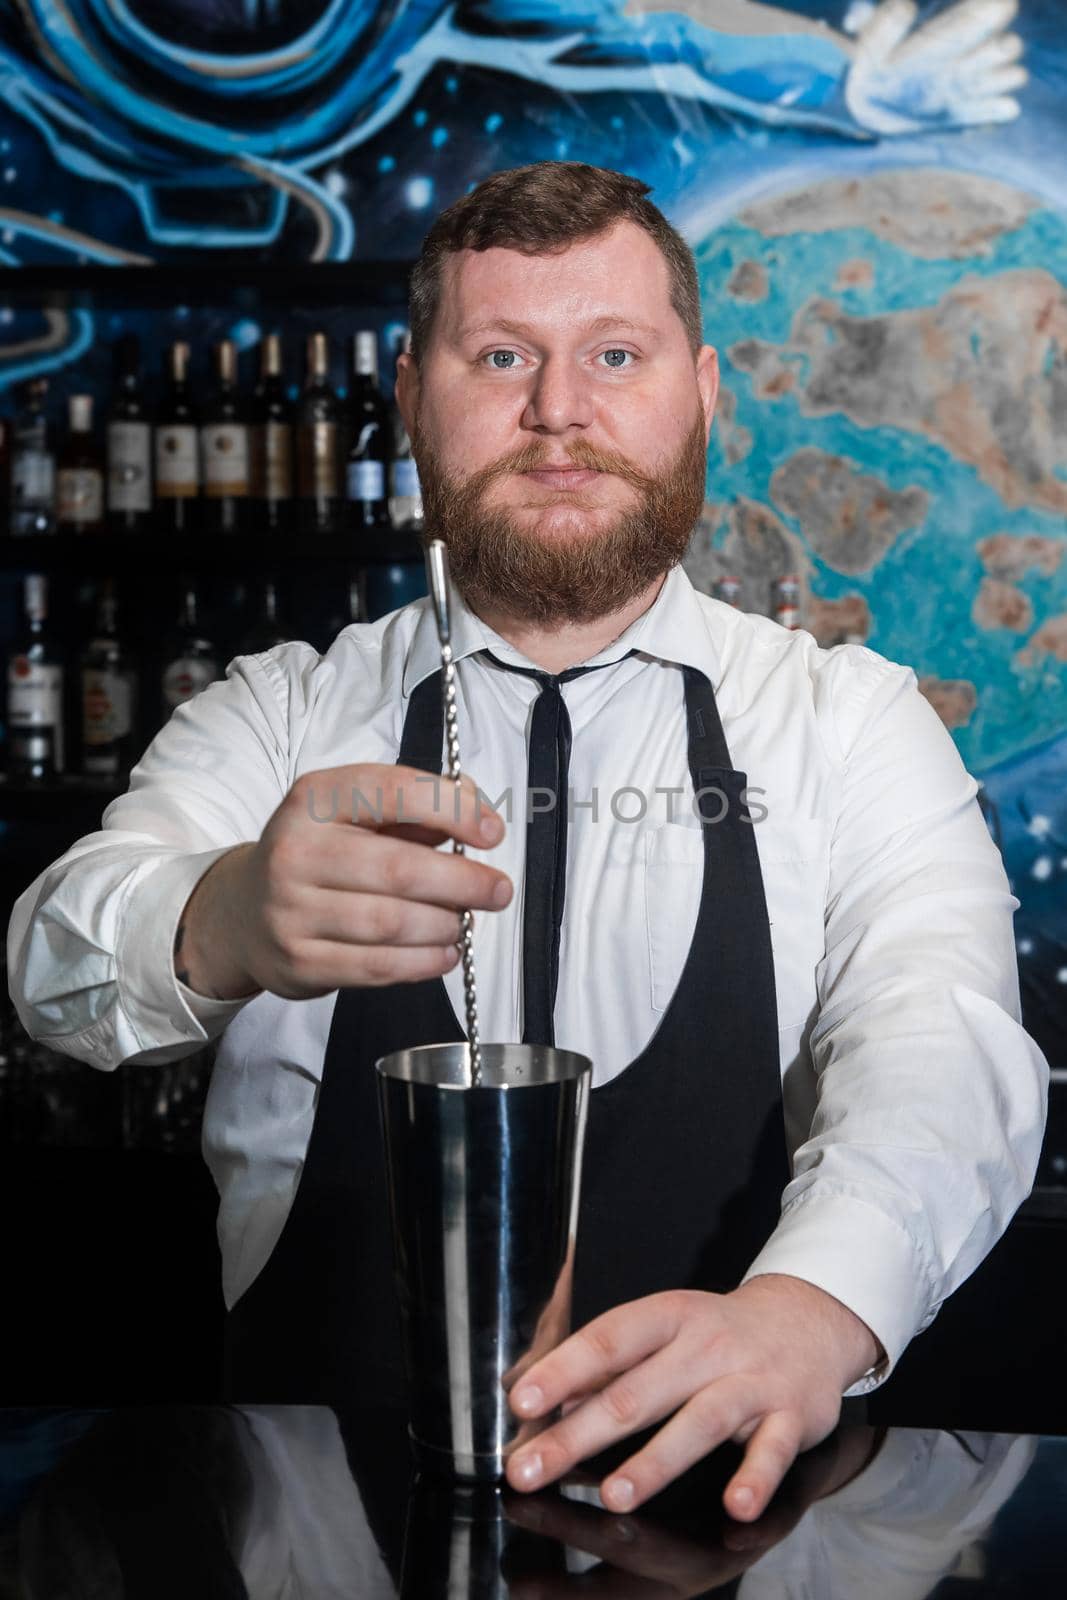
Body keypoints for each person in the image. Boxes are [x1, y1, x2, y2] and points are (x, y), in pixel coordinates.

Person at [6, 162, 1048, 1526]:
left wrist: (814, 1306)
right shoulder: (281, 712)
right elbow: (52, 967)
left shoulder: (848, 726)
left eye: (615, 353)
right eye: (501, 355)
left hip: (741, 1535)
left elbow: (947, 1039)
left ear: (707, 390)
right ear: (407, 398)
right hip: (311, 1531)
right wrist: (220, 917)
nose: (560, 411)